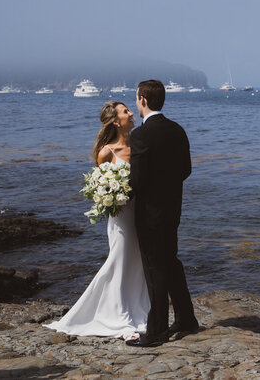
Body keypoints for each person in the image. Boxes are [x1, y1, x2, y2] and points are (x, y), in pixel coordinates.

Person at [44, 101, 150, 341]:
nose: (132, 113)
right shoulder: (106, 152)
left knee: (139, 263)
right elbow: (98, 187)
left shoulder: (140, 144)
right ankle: (121, 318)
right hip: (121, 217)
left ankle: (141, 310)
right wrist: (112, 196)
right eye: (126, 112)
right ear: (115, 121)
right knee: (119, 261)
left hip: (142, 213)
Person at [127, 79, 198, 347]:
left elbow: (137, 180)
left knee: (155, 269)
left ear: (143, 99)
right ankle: (187, 319)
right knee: (171, 263)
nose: (136, 103)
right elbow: (186, 170)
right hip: (173, 209)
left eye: (136, 98)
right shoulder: (177, 130)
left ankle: (156, 331)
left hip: (150, 213)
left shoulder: (140, 135)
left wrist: (119, 199)